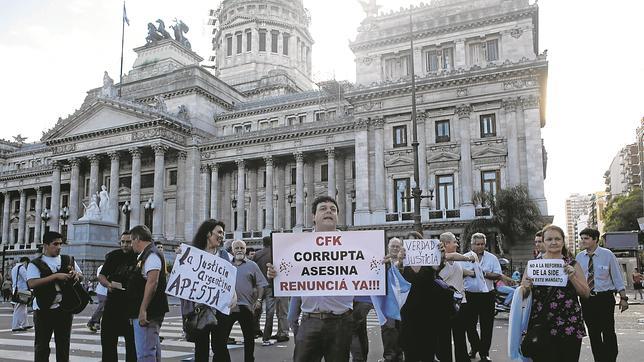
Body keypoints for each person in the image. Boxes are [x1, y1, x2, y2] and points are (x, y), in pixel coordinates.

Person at [268, 196, 354, 362]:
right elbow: (291, 278)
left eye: (333, 209)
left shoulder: (352, 245)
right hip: (310, 319)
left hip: (341, 321)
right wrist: (275, 274)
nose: (329, 211)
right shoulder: (298, 246)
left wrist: (383, 265)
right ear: (313, 216)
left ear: (337, 216)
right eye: (323, 208)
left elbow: (369, 276)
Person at [521, 225, 590, 361]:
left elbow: (585, 293)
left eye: (557, 239)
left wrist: (572, 277)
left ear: (563, 241)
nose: (554, 242)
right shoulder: (533, 266)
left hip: (569, 324)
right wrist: (526, 287)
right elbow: (522, 294)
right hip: (541, 324)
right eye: (549, 239)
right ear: (543, 242)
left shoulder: (572, 264)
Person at [181, 219, 233, 362]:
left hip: (220, 309)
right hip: (200, 309)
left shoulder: (225, 256)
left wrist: (233, 295)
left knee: (221, 347)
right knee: (201, 348)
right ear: (208, 233)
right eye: (219, 232)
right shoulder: (193, 254)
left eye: (223, 233)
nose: (222, 236)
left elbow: (229, 281)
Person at [27, 231, 83, 362]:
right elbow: (32, 283)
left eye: (60, 244)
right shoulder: (36, 263)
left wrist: (76, 275)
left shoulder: (67, 259)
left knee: (63, 344)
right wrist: (55, 277)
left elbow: (81, 276)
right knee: (42, 345)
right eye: (55, 244)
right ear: (45, 245)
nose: (58, 247)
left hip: (64, 308)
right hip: (43, 308)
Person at [576, 227, 629, 362]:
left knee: (608, 331)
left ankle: (610, 359)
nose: (583, 241)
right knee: (593, 333)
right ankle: (599, 359)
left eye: (586, 238)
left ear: (595, 239)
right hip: (587, 300)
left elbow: (617, 277)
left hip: (605, 298)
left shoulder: (607, 254)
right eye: (581, 238)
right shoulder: (579, 257)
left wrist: (623, 298)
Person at [461, 233, 514, 362]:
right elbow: (460, 273)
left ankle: (484, 353)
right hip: (469, 295)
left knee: (487, 326)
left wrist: (482, 273)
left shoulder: (492, 258)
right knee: (469, 325)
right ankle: (474, 347)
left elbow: (498, 274)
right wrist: (471, 273)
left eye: (482, 244)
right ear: (471, 245)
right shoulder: (464, 258)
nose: (480, 247)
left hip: (487, 295)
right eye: (477, 244)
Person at [221, 239, 268, 362]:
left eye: (242, 248)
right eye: (237, 248)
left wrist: (258, 300)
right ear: (232, 250)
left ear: (245, 249)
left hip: (246, 307)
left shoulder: (252, 265)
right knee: (221, 338)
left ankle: (249, 360)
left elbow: (261, 284)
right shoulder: (226, 265)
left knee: (249, 338)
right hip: (229, 307)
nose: (239, 250)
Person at [127, 225, 169, 362]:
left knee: (145, 353)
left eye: (132, 240)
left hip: (149, 312)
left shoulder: (151, 255)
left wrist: (143, 309)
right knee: (151, 350)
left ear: (138, 239)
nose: (131, 244)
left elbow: (152, 282)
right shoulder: (148, 254)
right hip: (149, 310)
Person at [98, 231, 138, 362]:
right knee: (108, 340)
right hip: (113, 303)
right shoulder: (113, 256)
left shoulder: (138, 257)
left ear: (134, 242)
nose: (125, 245)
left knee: (132, 344)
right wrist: (108, 284)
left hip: (130, 305)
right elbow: (101, 275)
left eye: (128, 242)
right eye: (123, 242)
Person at [437, 232, 475, 362]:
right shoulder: (440, 259)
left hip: (460, 303)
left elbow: (457, 271)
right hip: (444, 305)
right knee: (444, 338)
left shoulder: (456, 260)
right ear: (446, 243)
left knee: (460, 337)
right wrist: (468, 258)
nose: (457, 244)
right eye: (454, 242)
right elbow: (452, 256)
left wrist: (471, 272)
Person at [253, 236, 290, 346]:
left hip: (259, 285)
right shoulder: (277, 254)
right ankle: (282, 332)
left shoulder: (257, 254)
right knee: (281, 311)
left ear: (263, 244)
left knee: (257, 310)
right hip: (274, 285)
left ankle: (256, 330)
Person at [11, 257, 32, 332]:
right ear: (25, 262)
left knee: (23, 308)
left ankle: (24, 324)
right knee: (19, 308)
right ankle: (15, 326)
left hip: (17, 289)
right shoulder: (21, 267)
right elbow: (27, 278)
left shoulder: (14, 268)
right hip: (22, 290)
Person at [87, 264, 108, 331]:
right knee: (102, 307)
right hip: (102, 291)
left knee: (105, 308)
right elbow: (100, 278)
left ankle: (96, 322)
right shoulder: (101, 267)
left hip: (108, 291)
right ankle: (92, 321)